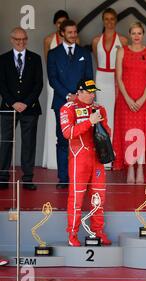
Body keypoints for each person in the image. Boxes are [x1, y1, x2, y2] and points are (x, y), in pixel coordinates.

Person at [60, 79, 112, 247]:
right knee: (76, 198)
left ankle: (98, 231)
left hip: (97, 159)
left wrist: (101, 129)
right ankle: (72, 234)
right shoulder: (68, 108)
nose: (92, 95)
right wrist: (89, 121)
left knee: (98, 198)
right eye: (88, 92)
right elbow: (67, 133)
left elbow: (107, 131)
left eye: (93, 91)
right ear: (79, 92)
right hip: (79, 159)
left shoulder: (99, 108)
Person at [47, 19, 93, 189]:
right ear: (62, 33)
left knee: (84, 140)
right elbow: (53, 79)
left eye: (75, 32)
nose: (73, 35)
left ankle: (82, 177)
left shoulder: (84, 53)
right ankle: (64, 178)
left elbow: (89, 78)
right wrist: (69, 96)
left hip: (82, 103)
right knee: (62, 140)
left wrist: (81, 96)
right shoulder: (53, 54)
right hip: (61, 102)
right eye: (70, 32)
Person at [112, 21, 146, 184]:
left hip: (143, 99)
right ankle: (130, 167)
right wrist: (128, 98)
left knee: (142, 134)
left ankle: (140, 168)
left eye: (139, 33)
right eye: (133, 33)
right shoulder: (121, 51)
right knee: (127, 134)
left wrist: (143, 97)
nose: (136, 36)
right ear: (129, 35)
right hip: (125, 100)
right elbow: (118, 77)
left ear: (143, 35)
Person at [0, 27, 43, 190]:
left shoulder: (35, 58)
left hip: (30, 108)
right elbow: (1, 84)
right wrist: (13, 102)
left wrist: (26, 103)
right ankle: (3, 176)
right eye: (17, 39)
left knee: (29, 144)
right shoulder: (2, 59)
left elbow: (38, 84)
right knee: (5, 142)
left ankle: (27, 177)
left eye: (24, 39)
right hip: (7, 107)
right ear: (11, 39)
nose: (21, 42)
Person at [92, 8, 127, 156]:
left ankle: (116, 153)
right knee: (102, 114)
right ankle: (105, 152)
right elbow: (96, 58)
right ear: (103, 20)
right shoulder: (96, 41)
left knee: (115, 115)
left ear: (116, 20)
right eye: (106, 19)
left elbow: (125, 63)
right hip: (101, 79)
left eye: (112, 19)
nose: (109, 22)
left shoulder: (123, 40)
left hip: (116, 80)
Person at [42, 10, 69, 169]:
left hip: (69, 83)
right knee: (54, 116)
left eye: (64, 22)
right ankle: (52, 159)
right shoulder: (48, 40)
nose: (61, 25)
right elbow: (48, 62)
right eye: (59, 22)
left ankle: (66, 161)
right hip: (53, 82)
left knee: (68, 116)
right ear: (55, 24)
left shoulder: (75, 38)